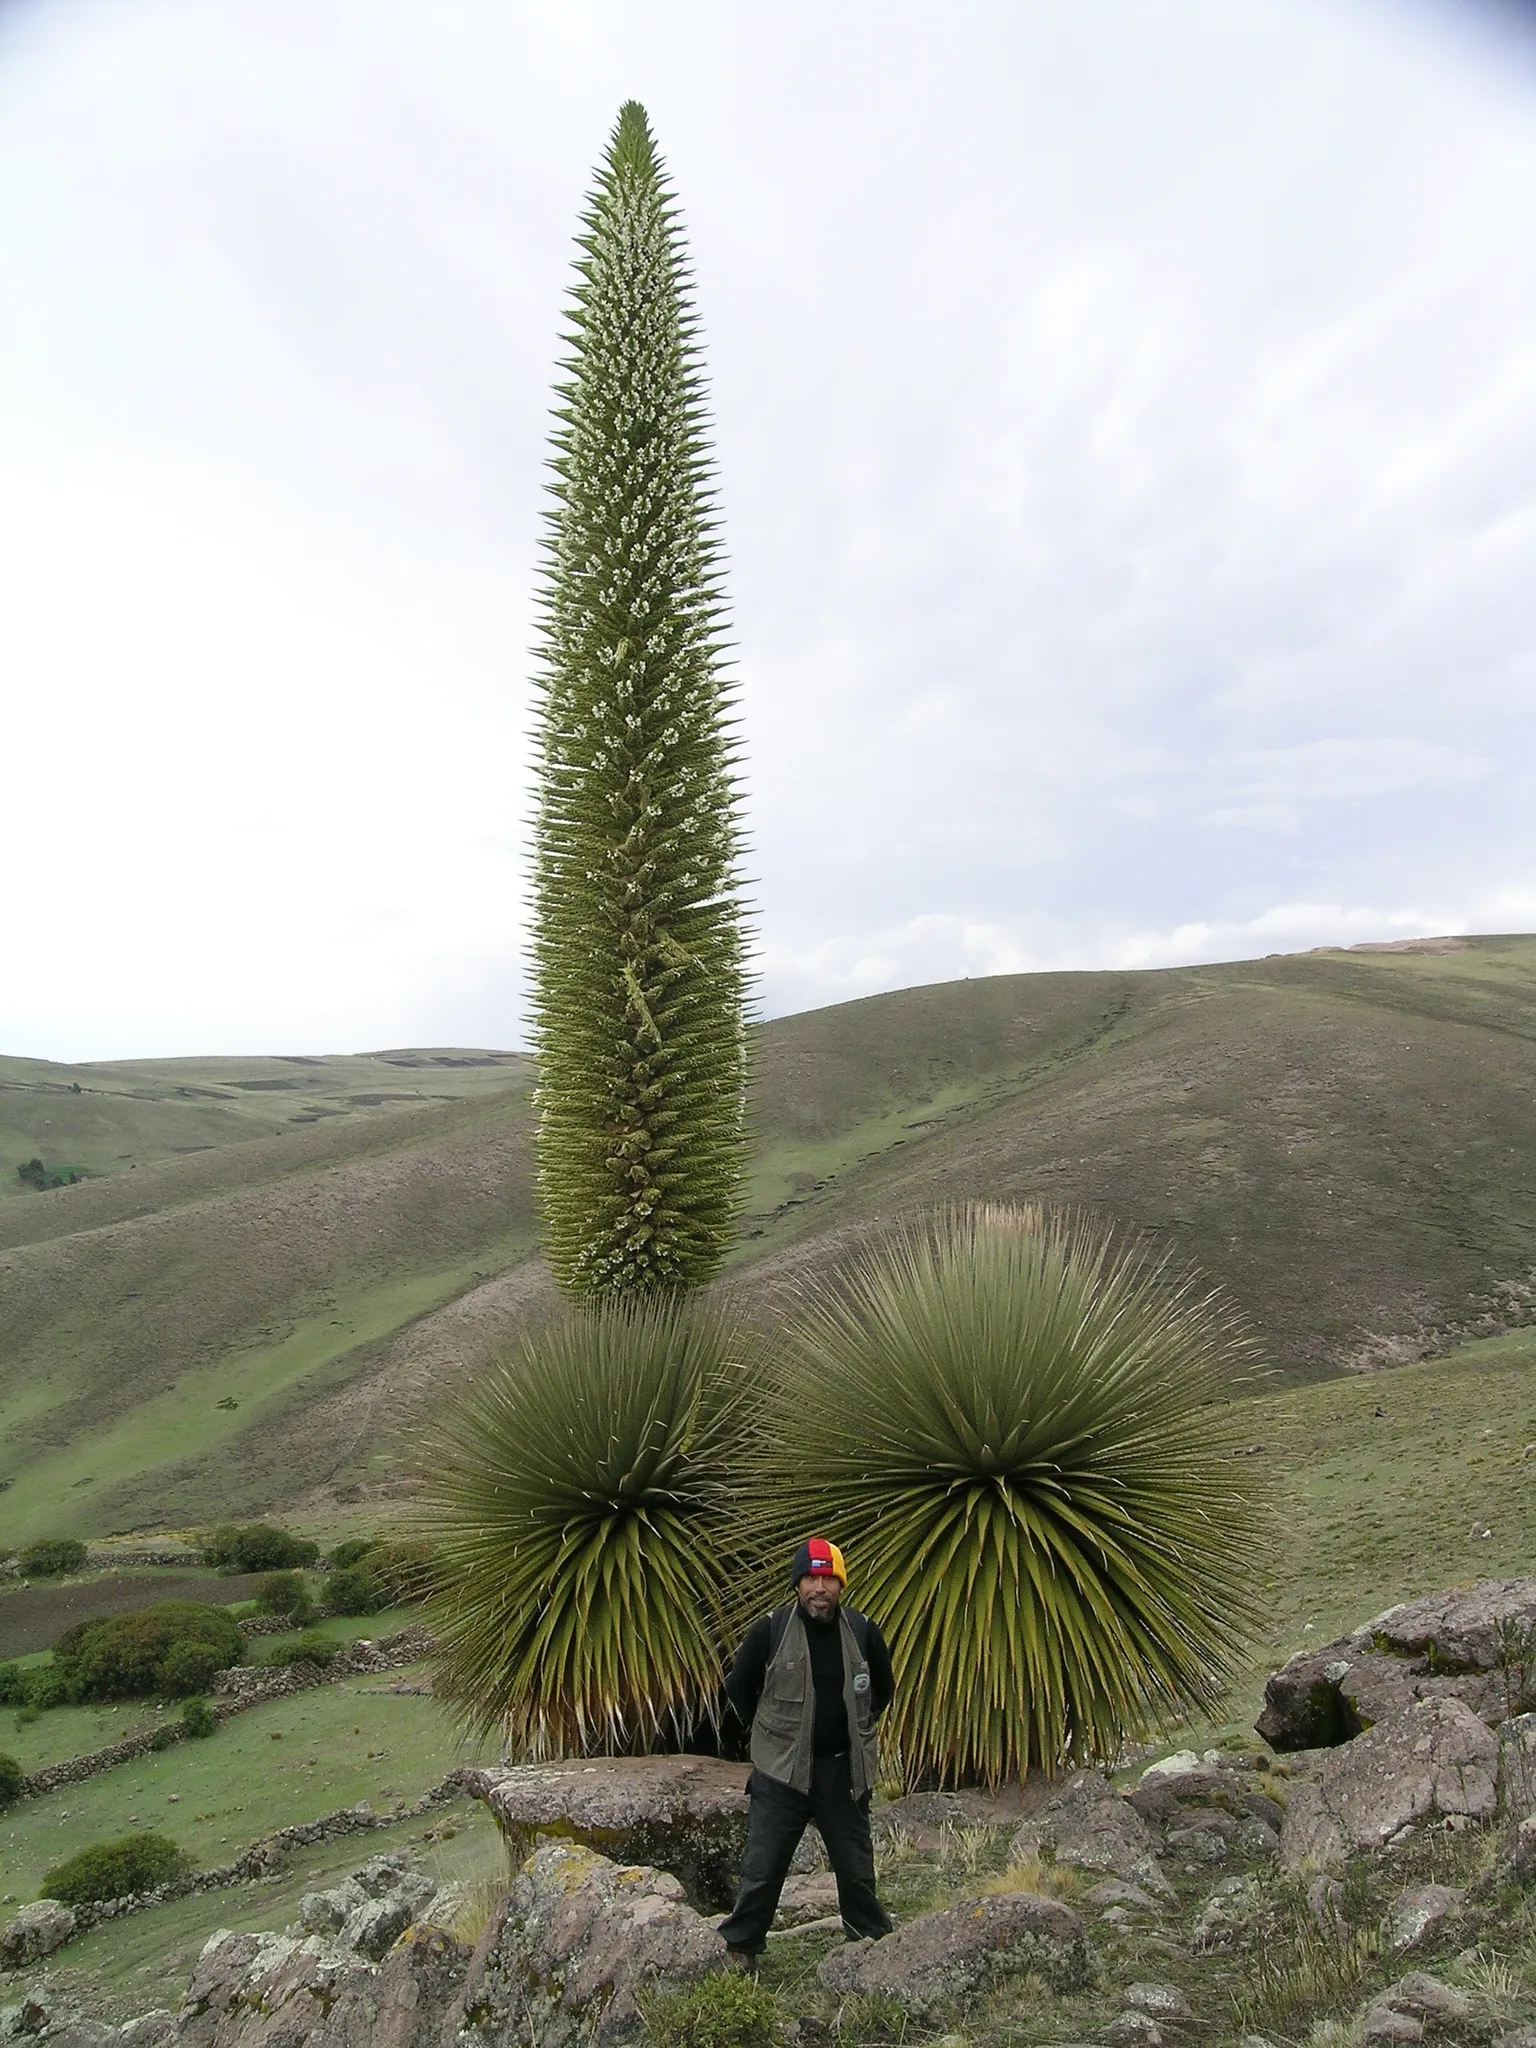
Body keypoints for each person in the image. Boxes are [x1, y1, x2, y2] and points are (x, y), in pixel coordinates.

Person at [717, 1536, 895, 1964]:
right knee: (762, 1870)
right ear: (797, 1585)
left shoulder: (863, 1630)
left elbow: (883, 1690)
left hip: (842, 1773)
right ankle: (742, 1947)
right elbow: (738, 1688)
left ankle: (868, 1948)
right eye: (811, 1578)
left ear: (841, 1584)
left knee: (856, 1871)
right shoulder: (770, 1629)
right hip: (780, 1775)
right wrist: (767, 1739)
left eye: (829, 1578)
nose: (820, 1588)